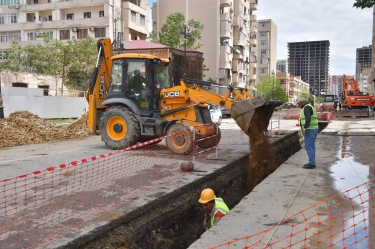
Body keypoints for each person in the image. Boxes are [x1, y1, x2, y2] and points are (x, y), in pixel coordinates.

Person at [297, 97, 319, 169]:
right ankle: (312, 162)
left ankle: (312, 163)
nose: (298, 105)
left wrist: (305, 128)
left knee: (308, 146)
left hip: (310, 130)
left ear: (302, 102)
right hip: (313, 129)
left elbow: (308, 118)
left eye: (299, 103)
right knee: (312, 146)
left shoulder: (306, 108)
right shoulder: (309, 107)